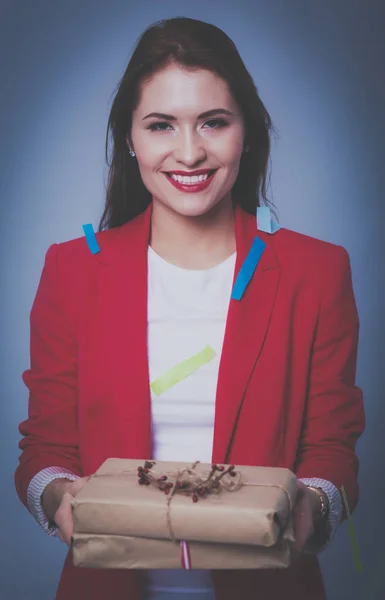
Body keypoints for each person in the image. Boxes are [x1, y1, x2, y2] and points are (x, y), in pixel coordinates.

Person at [15, 16, 365, 600]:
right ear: (130, 139)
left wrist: (315, 503)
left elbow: (333, 445)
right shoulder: (71, 271)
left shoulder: (317, 271)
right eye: (160, 125)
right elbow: (44, 449)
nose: (189, 151)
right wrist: (58, 495)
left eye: (213, 122)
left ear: (245, 131)